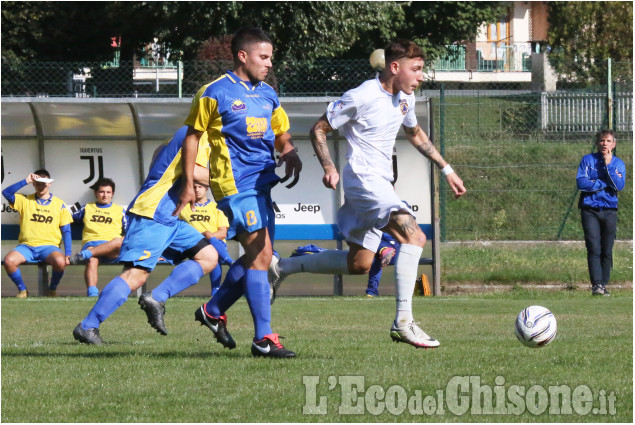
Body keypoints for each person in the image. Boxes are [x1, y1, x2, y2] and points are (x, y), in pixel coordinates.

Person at [270, 40, 466, 349]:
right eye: (415, 70)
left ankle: (282, 268)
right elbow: (318, 129)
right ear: (394, 67)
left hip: (379, 185)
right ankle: (404, 322)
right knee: (414, 236)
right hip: (364, 182)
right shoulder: (362, 96)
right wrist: (329, 166)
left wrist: (447, 169)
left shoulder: (405, 99)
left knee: (360, 263)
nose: (420, 77)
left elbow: (414, 134)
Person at [185, 27, 301, 358]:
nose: (269, 64)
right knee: (262, 258)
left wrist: (289, 151)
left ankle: (213, 310)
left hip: (263, 182)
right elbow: (193, 136)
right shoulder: (214, 92)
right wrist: (186, 184)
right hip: (235, 186)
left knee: (259, 256)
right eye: (263, 57)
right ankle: (263, 338)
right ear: (243, 56)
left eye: (270, 58)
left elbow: (281, 132)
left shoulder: (268, 94)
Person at [73, 126, 219, 345]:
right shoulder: (199, 134)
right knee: (136, 275)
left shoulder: (181, 133)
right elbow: (197, 172)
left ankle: (156, 298)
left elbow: (158, 155)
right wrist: (232, 179)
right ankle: (88, 326)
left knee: (208, 256)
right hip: (154, 213)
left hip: (169, 215)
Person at [2, 169, 73, 298]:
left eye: (44, 183)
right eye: (38, 183)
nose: (41, 186)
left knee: (60, 262)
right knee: (9, 261)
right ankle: (23, 290)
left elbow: (66, 230)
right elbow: (6, 192)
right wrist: (26, 181)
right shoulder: (25, 200)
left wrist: (68, 254)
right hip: (27, 247)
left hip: (49, 247)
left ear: (50, 184)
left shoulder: (59, 204)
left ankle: (51, 290)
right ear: (34, 184)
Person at [576, 129, 626, 296]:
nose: (605, 143)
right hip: (589, 209)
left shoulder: (618, 164)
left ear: (614, 144)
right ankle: (596, 284)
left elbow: (618, 185)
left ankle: (604, 285)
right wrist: (603, 182)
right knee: (593, 247)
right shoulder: (587, 160)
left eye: (608, 141)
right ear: (597, 143)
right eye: (602, 140)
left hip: (610, 210)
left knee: (607, 249)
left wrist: (608, 165)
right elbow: (582, 183)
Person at [172, 180, 235, 297]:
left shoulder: (217, 207)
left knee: (212, 247)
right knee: (211, 249)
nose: (196, 189)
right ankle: (231, 263)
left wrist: (208, 236)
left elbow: (222, 233)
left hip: (216, 244)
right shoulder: (183, 208)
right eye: (194, 187)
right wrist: (203, 236)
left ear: (206, 188)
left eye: (200, 186)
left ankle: (216, 290)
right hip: (194, 246)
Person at [70, 178, 127, 297]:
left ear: (112, 194)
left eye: (108, 192)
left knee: (118, 241)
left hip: (112, 248)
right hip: (92, 243)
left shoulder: (119, 210)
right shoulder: (87, 208)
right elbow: (67, 218)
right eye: (102, 192)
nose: (105, 195)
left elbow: (130, 231)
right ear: (96, 193)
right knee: (92, 259)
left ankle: (84, 255)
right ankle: (92, 294)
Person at [365, 233, 399, 297]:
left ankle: (371, 291)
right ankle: (372, 292)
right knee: (375, 259)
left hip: (396, 250)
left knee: (372, 243)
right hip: (378, 253)